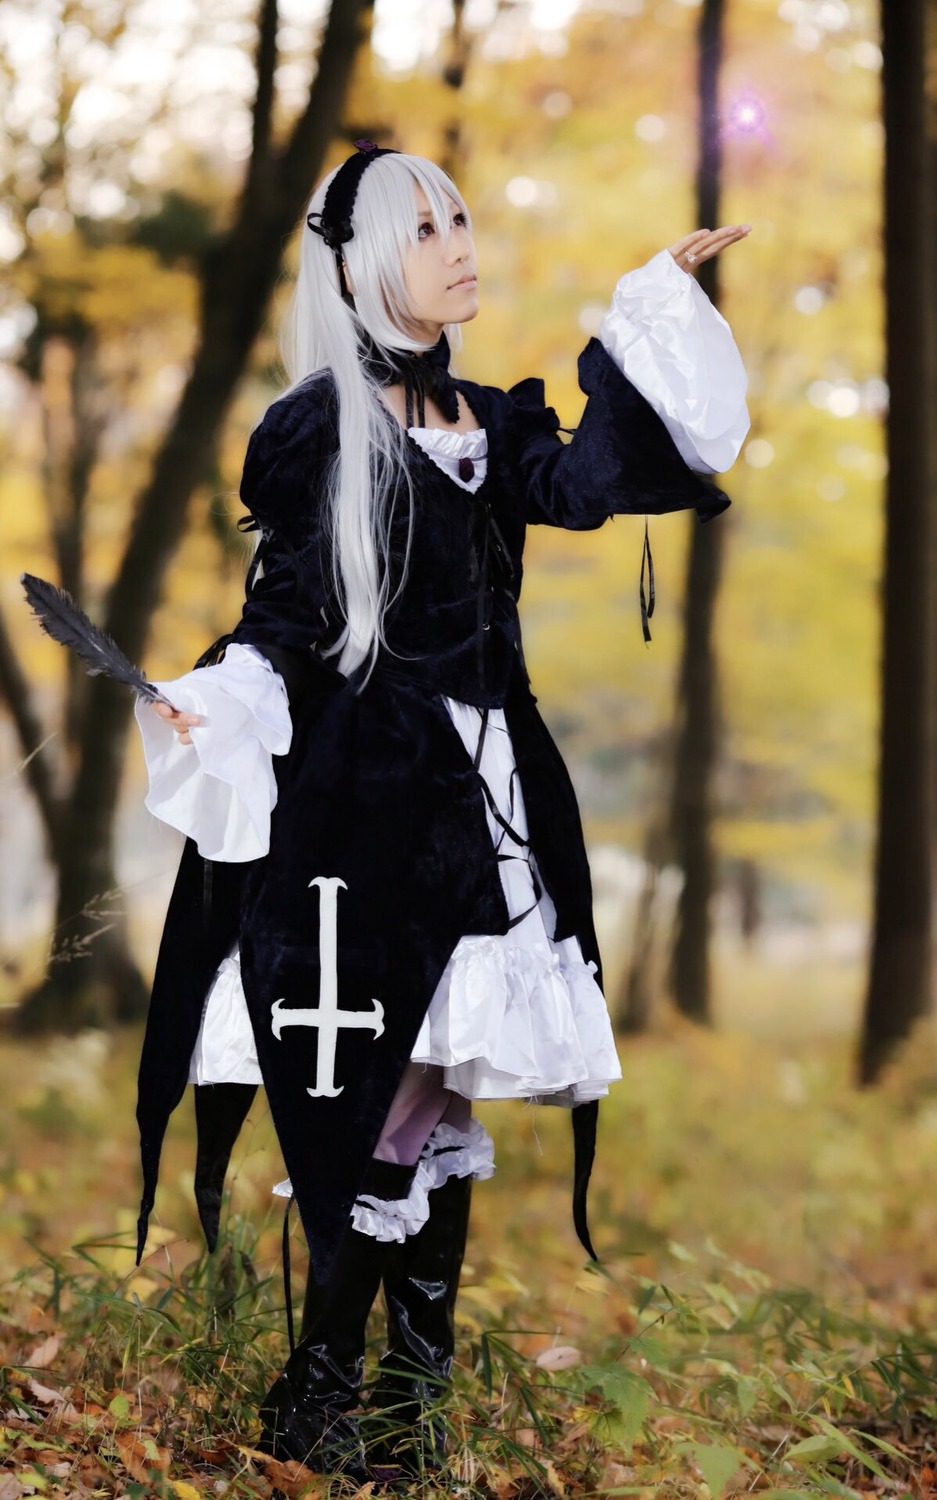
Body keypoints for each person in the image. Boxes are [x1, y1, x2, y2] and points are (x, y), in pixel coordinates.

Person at [133, 141, 750, 1481]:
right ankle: (320, 1396)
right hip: (367, 802)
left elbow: (592, 488)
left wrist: (653, 311)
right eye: (426, 229)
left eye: (463, 218)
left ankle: (406, 1409)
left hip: (492, 792)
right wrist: (225, 696)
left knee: (445, 1085)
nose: (459, 244)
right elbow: (286, 618)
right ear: (361, 263)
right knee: (390, 1093)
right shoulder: (317, 429)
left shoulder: (496, 419)